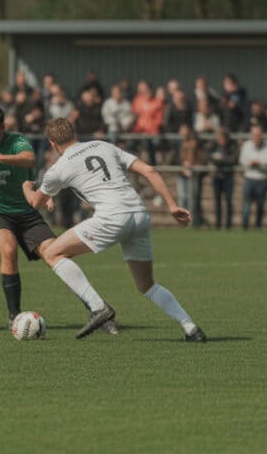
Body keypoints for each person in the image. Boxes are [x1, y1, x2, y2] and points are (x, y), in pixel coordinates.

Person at [22, 118, 206, 342]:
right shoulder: (103, 145)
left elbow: (34, 203)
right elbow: (149, 170)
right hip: (139, 215)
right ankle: (191, 329)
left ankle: (98, 307)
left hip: (112, 217)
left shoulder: (58, 168)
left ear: (52, 143)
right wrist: (172, 205)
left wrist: (26, 187)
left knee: (51, 253)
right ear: (74, 134)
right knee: (147, 285)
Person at [0, 104, 117, 334]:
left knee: (55, 253)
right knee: (8, 248)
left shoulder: (16, 141)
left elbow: (29, 159)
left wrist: (4, 158)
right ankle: (14, 317)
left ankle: (98, 310)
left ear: (2, 128)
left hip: (26, 213)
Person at [239, 124, 267, 230]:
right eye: (254, 135)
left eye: (258, 135)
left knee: (260, 205)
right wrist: (253, 163)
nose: (257, 137)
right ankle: (244, 226)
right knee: (246, 204)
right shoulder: (246, 145)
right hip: (249, 178)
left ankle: (258, 226)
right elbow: (243, 160)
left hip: (262, 179)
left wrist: (257, 163)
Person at [206, 127, 238, 230]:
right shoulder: (214, 145)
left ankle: (228, 225)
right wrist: (216, 159)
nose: (220, 140)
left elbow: (233, 159)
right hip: (217, 177)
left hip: (228, 177)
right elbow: (207, 155)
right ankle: (218, 225)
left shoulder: (233, 145)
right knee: (217, 202)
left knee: (228, 201)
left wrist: (221, 159)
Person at [177, 124, 206, 227]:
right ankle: (182, 222)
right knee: (182, 198)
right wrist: (182, 166)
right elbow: (177, 159)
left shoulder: (198, 148)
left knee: (192, 199)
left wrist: (192, 166)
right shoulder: (180, 144)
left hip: (193, 175)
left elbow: (201, 160)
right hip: (182, 174)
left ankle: (191, 222)